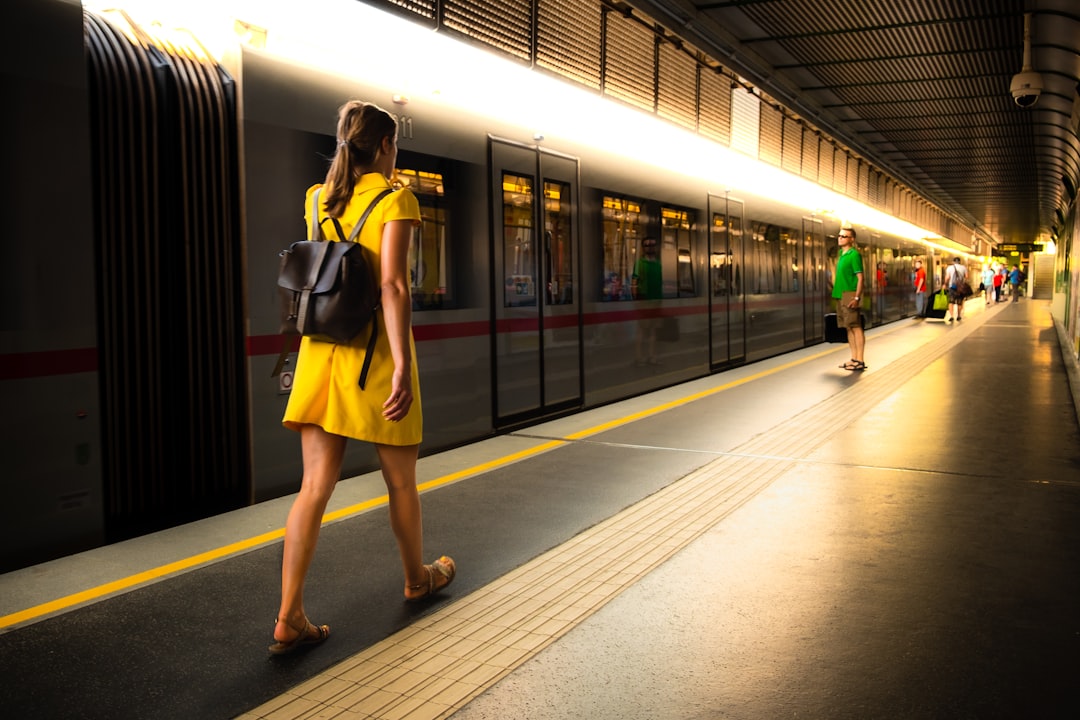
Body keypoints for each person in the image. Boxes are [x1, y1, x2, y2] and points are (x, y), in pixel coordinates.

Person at [270, 101, 455, 656]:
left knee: (313, 488)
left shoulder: (315, 199)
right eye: (393, 146)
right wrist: (401, 364)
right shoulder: (396, 198)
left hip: (321, 355)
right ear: (383, 147)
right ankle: (416, 579)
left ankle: (289, 616)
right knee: (400, 482)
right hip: (372, 357)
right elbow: (392, 287)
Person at [832, 227, 866, 370]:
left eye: (844, 236)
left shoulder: (854, 255)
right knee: (848, 327)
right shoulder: (841, 254)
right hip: (839, 294)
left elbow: (860, 278)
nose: (840, 238)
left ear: (851, 239)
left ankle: (860, 360)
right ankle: (853, 358)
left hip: (849, 294)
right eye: (839, 236)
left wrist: (857, 297)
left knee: (856, 326)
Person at [632, 237, 662, 365]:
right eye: (647, 245)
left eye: (652, 245)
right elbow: (634, 283)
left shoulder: (658, 264)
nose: (650, 247)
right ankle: (639, 357)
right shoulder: (640, 263)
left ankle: (651, 356)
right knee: (642, 330)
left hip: (656, 301)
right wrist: (637, 301)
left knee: (653, 330)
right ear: (643, 248)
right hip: (644, 300)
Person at [943, 257, 968, 323]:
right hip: (960, 288)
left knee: (951, 302)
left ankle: (951, 316)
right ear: (959, 262)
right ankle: (959, 315)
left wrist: (945, 284)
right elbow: (966, 277)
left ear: (953, 262)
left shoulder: (950, 268)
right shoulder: (963, 267)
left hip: (952, 287)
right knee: (959, 302)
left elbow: (947, 277)